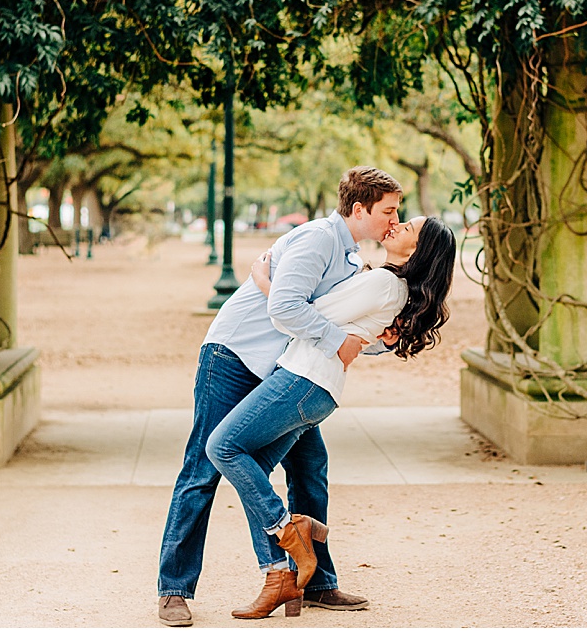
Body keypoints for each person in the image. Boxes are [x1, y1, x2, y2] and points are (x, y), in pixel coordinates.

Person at [157, 166, 403, 627]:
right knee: (202, 469)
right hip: (234, 357)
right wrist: (340, 343)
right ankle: (174, 589)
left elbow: (334, 322)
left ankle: (316, 583)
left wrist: (381, 340)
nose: (394, 220)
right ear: (359, 209)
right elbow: (286, 308)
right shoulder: (318, 240)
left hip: (283, 370)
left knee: (310, 465)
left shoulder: (351, 258)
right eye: (388, 210)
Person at [205, 216, 457, 619]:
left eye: (407, 227)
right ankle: (279, 579)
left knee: (222, 447)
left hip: (302, 381)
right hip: (311, 384)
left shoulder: (384, 285)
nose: (396, 224)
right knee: (255, 476)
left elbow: (297, 313)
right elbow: (344, 328)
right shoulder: (384, 283)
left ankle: (292, 530)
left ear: (419, 250)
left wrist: (263, 280)